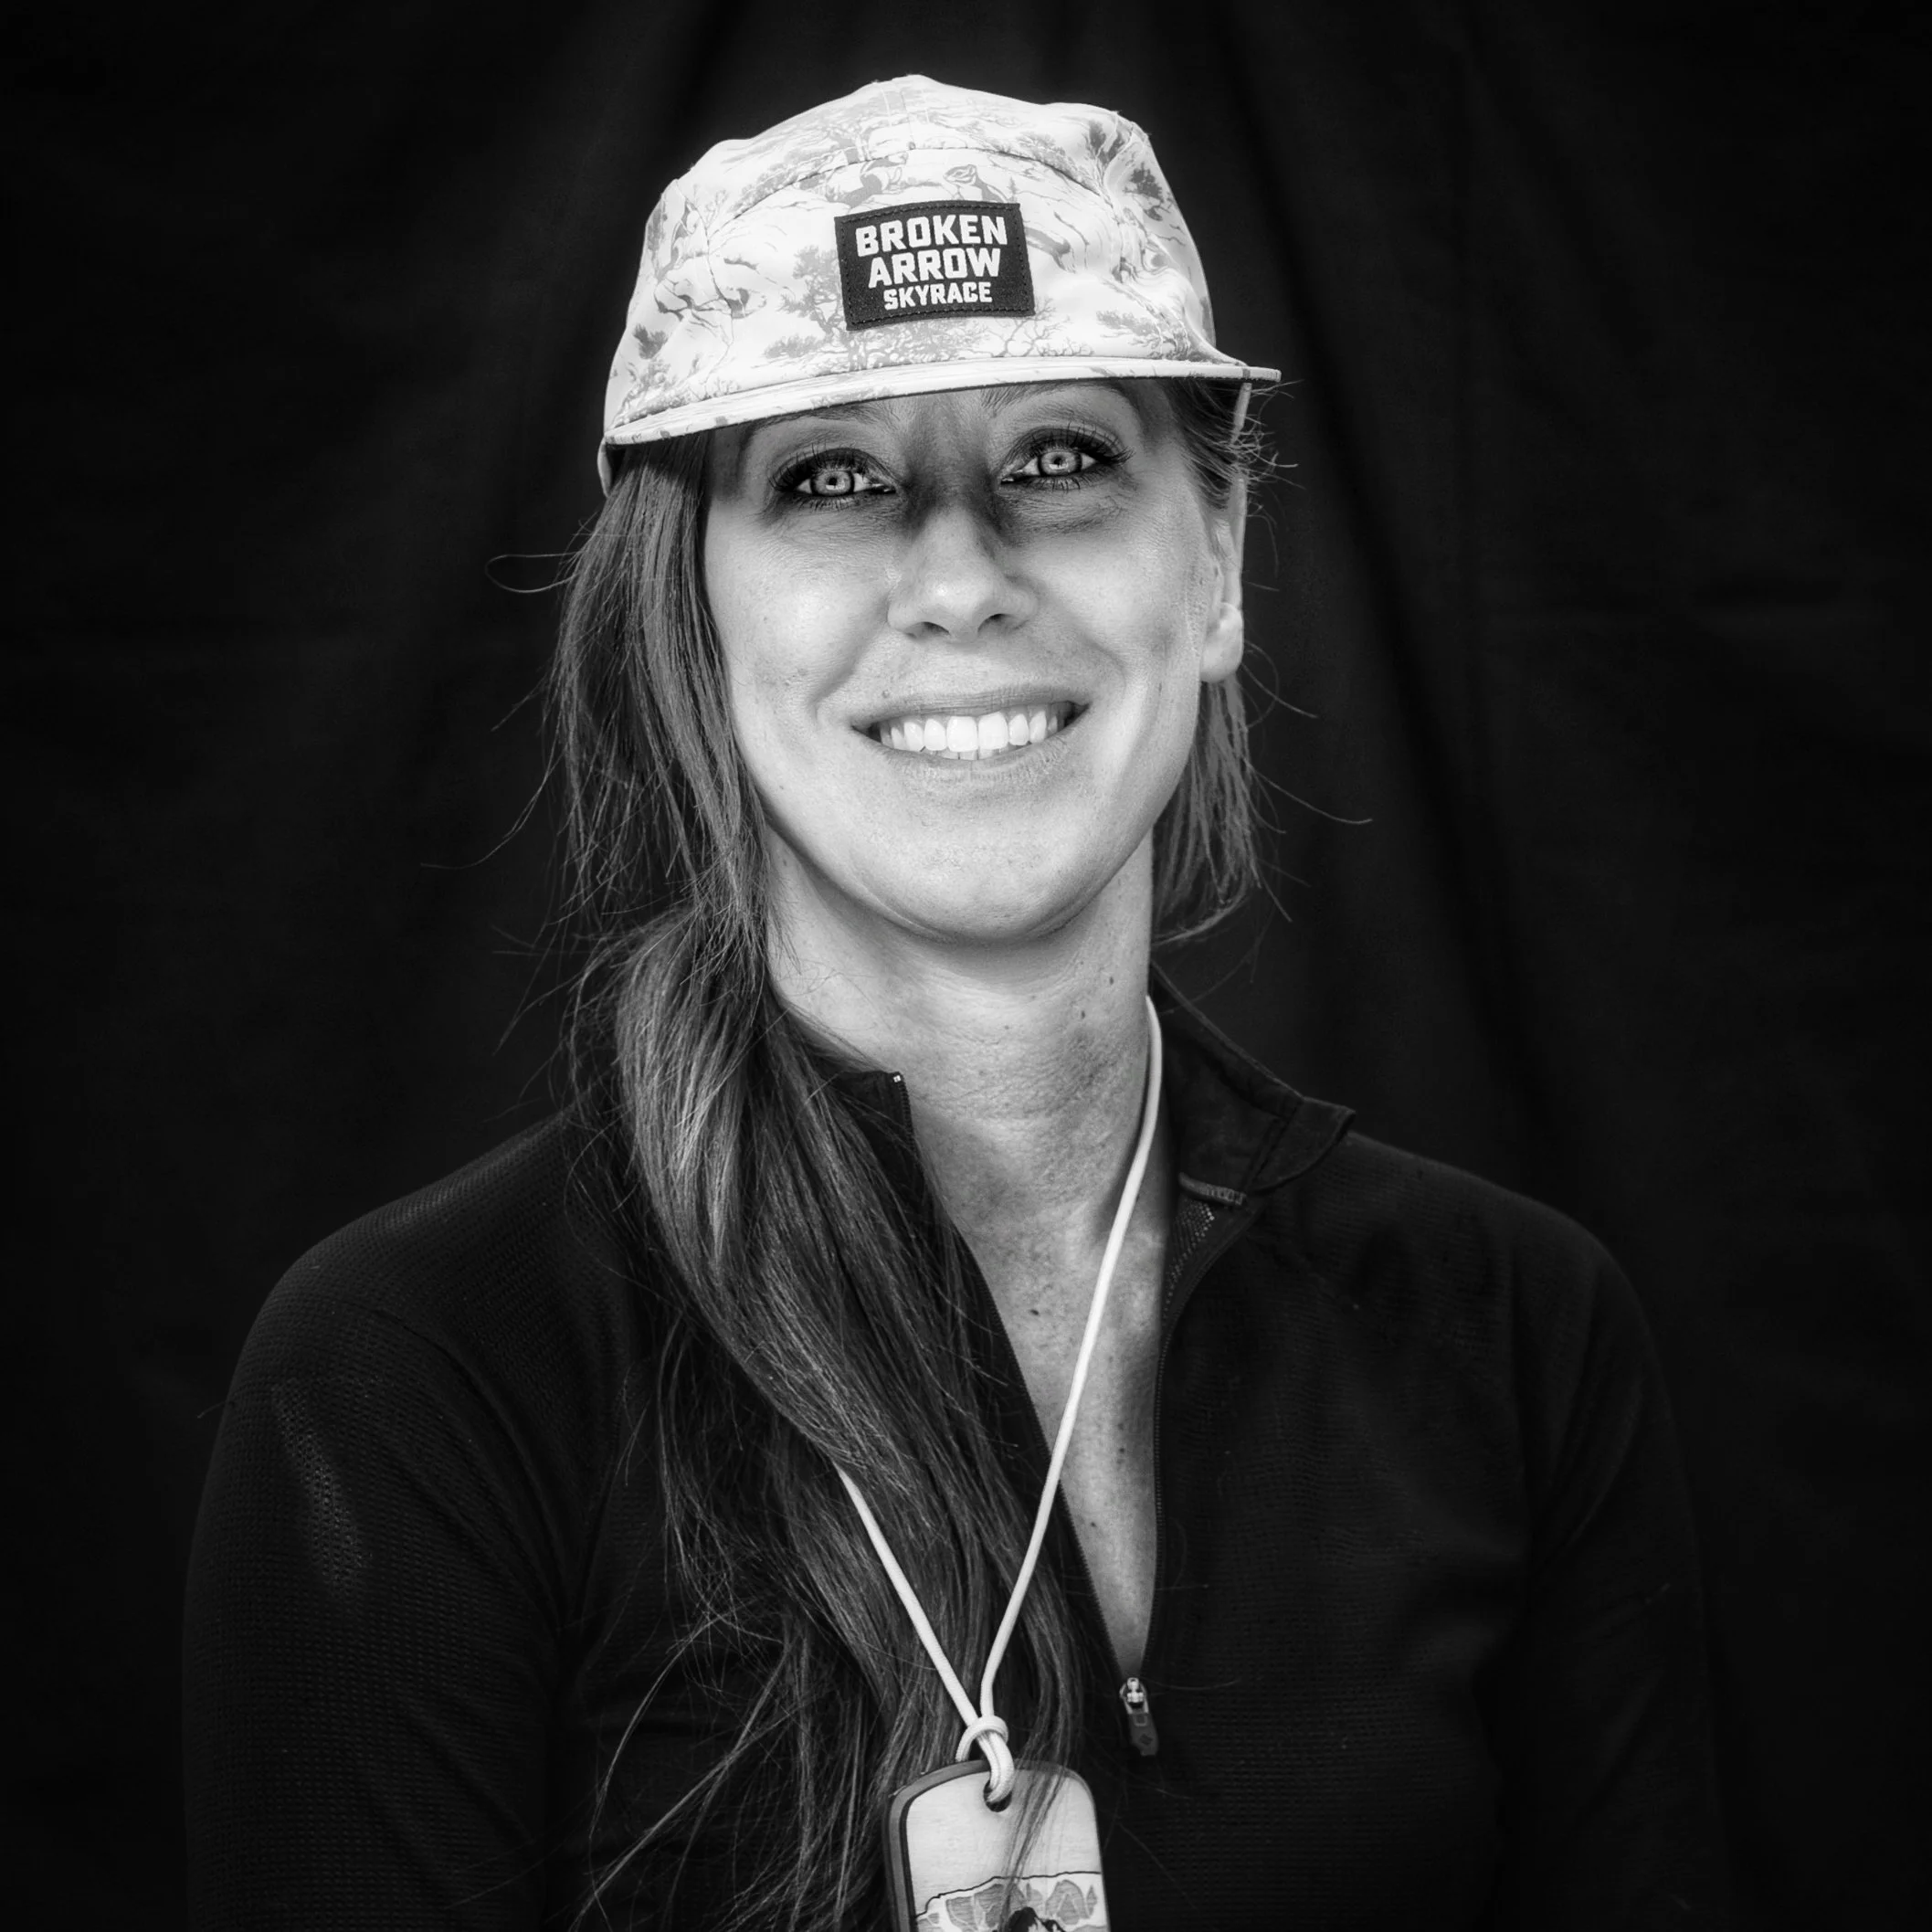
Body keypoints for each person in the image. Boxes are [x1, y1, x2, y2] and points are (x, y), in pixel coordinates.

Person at [183, 76, 1729, 1931]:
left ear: (1218, 562)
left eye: (1060, 456)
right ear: (691, 610)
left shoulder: (1510, 1334)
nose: (959, 580)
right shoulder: (422, 1378)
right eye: (830, 477)